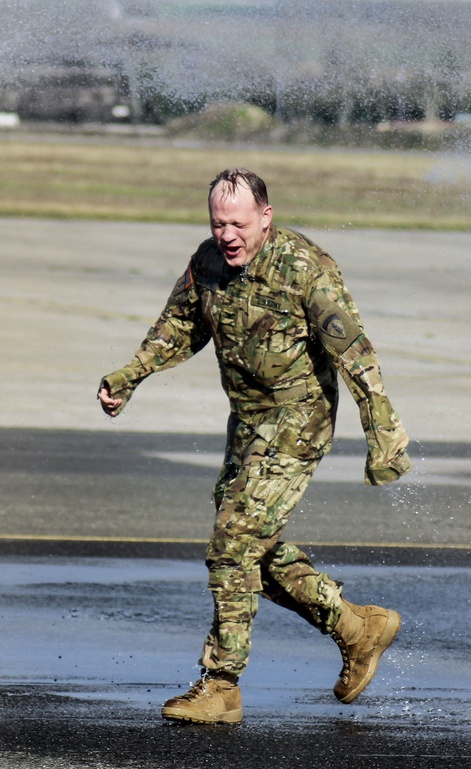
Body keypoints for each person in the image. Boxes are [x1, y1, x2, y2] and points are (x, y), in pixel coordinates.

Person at [97, 168, 412, 725]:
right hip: (248, 421)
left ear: (265, 216)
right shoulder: (208, 262)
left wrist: (383, 434)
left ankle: (222, 685)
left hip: (299, 419)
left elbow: (356, 352)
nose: (228, 235)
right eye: (218, 223)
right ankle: (356, 628)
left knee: (232, 543)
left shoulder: (304, 268)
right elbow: (178, 326)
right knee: (251, 553)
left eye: (238, 223)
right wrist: (129, 375)